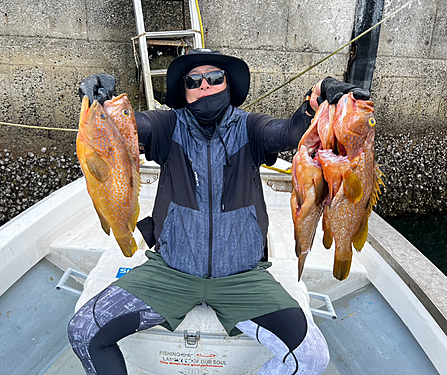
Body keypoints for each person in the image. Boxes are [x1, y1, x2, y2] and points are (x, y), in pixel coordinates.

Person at [68, 48, 370, 375]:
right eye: (193, 80)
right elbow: (133, 126)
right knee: (83, 330)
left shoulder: (251, 126)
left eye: (214, 78)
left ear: (227, 84)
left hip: (243, 278)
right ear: (182, 91)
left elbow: (288, 133)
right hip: (171, 272)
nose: (205, 85)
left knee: (312, 357)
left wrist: (318, 104)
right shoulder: (168, 125)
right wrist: (103, 104)